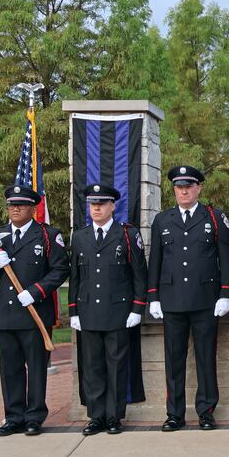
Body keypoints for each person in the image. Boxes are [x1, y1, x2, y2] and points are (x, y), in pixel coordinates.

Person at [148, 165, 229, 431]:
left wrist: (225, 294)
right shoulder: (163, 220)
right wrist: (153, 297)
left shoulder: (214, 217)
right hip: (172, 301)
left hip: (206, 301)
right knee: (174, 360)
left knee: (206, 358)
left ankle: (206, 411)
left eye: (189, 186)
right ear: (174, 189)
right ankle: (174, 414)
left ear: (199, 188)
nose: (183, 191)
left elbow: (226, 260)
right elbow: (156, 262)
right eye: (179, 187)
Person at [0, 185, 69, 436]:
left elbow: (61, 269)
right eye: (11, 205)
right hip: (6, 315)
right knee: (10, 369)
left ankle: (35, 416)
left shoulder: (48, 235)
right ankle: (14, 416)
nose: (15, 209)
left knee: (37, 367)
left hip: (35, 313)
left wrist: (37, 290)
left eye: (20, 205)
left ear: (33, 208)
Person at [68, 184, 148, 435]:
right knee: (91, 367)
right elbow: (75, 276)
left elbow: (139, 274)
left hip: (118, 312)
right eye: (93, 204)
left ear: (113, 206)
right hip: (88, 310)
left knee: (116, 366)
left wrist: (137, 308)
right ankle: (96, 416)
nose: (97, 208)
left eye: (102, 204)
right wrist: (73, 311)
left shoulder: (126, 234)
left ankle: (114, 416)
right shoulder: (80, 237)